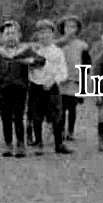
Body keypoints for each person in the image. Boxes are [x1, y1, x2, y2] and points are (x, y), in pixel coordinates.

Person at [0, 20, 45, 158]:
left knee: (18, 117)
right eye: (7, 34)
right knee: (5, 117)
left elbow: (41, 61)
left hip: (20, 89)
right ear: (2, 37)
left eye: (13, 33)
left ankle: (21, 144)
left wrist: (30, 61)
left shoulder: (26, 50)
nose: (10, 36)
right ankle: (8, 144)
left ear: (19, 35)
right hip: (3, 89)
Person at [27, 19, 72, 154]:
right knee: (36, 116)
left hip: (52, 87)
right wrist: (35, 81)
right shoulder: (33, 51)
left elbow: (63, 72)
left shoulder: (57, 52)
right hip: (36, 87)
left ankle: (59, 144)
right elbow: (29, 70)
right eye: (41, 33)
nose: (44, 36)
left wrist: (53, 81)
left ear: (53, 34)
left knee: (56, 116)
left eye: (47, 32)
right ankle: (39, 143)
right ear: (37, 35)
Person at [57, 15, 91, 142]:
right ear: (63, 28)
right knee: (60, 107)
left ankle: (70, 131)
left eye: (73, 26)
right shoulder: (58, 44)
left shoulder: (82, 45)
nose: (70, 29)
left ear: (77, 29)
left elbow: (87, 65)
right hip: (60, 81)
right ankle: (59, 131)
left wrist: (82, 84)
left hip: (74, 81)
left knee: (72, 107)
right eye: (67, 26)